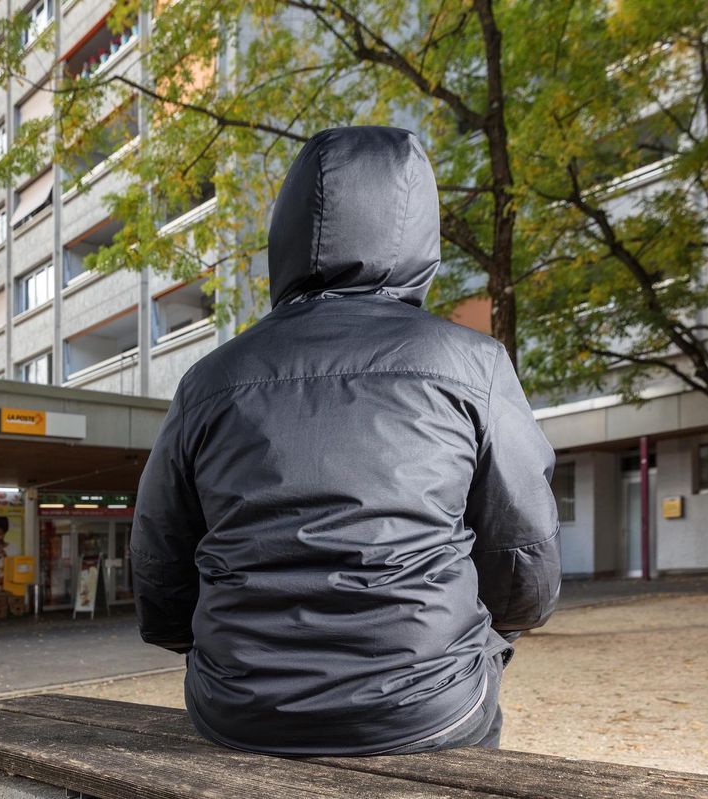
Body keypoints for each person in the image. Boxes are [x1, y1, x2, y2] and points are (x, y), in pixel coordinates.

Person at [130, 126, 560, 757]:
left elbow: (159, 571)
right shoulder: (472, 364)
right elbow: (524, 560)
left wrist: (227, 657)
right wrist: (483, 632)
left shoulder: (212, 378)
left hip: (242, 709)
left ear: (288, 230)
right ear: (417, 228)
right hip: (425, 708)